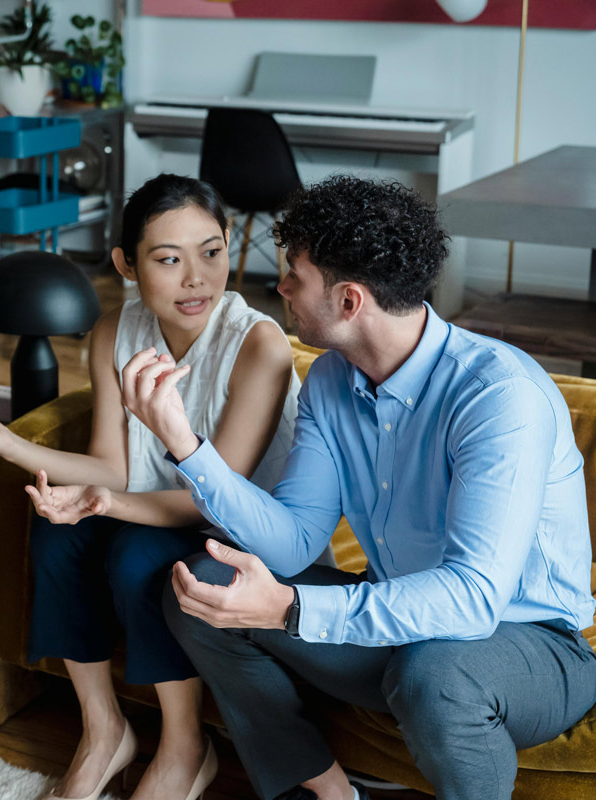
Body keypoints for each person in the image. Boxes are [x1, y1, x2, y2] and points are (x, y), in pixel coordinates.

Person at [108, 174, 596, 800]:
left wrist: (291, 609)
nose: (278, 287)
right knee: (202, 589)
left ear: (349, 301)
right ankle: (328, 790)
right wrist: (186, 446)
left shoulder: (498, 397)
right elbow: (293, 543)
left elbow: (474, 600)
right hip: (402, 626)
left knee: (438, 672)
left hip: (531, 647)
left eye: (295, 277)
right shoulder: (330, 382)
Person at [0, 174, 313, 800]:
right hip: (151, 504)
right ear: (125, 263)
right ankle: (104, 729)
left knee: (134, 555)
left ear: (230, 244)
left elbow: (215, 499)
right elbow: (112, 467)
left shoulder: (258, 344)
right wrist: (5, 441)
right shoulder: (115, 333)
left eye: (211, 251)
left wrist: (107, 503)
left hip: (239, 531)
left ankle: (183, 748)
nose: (196, 278)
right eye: (168, 260)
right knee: (55, 530)